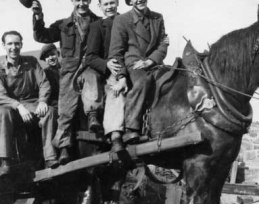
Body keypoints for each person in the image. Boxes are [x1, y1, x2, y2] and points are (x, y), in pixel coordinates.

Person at [31, 0, 100, 164]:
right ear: (72, 1)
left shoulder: (99, 22)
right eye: (78, 0)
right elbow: (41, 35)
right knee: (65, 108)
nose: (82, 3)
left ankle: (93, 118)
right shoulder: (63, 25)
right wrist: (38, 15)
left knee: (95, 86)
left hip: (91, 67)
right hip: (69, 72)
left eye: (85, 0)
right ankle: (64, 148)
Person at [109, 0, 168, 143]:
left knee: (172, 78)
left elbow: (163, 43)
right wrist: (122, 76)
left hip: (153, 63)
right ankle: (131, 128)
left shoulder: (157, 17)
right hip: (134, 65)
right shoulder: (121, 20)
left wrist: (151, 61)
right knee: (143, 81)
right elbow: (116, 52)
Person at [0, 30, 58, 173]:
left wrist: (43, 101)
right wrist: (18, 106)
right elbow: (0, 94)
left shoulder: (31, 61)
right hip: (11, 107)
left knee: (50, 111)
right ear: (3, 45)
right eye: (10, 44)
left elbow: (44, 83)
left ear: (21, 44)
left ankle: (50, 157)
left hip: (33, 104)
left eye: (17, 43)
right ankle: (6, 160)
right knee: (3, 112)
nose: (14, 47)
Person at [86, 0, 128, 152]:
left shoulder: (127, 19)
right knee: (115, 89)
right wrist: (106, 64)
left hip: (131, 64)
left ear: (117, 3)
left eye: (112, 2)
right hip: (113, 69)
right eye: (105, 4)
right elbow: (90, 56)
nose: (109, 7)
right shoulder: (96, 26)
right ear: (100, 7)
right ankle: (115, 134)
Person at [39, 43, 60, 108]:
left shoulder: (67, 68)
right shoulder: (44, 73)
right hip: (56, 103)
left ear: (58, 54)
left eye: (53, 54)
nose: (50, 58)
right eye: (47, 56)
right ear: (44, 59)